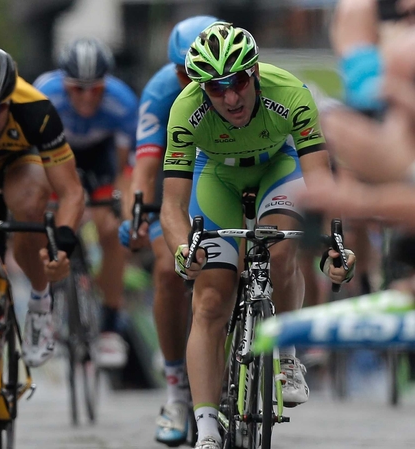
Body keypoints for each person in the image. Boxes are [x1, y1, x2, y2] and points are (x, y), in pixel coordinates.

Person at [160, 22, 357, 449]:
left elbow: (321, 182)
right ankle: (208, 429)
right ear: (201, 89)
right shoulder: (184, 109)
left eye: (239, 82)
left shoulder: (290, 94)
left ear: (256, 74)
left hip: (277, 169)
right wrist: (182, 250)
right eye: (215, 89)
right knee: (211, 297)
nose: (230, 97)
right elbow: (172, 205)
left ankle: (285, 356)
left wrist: (331, 247)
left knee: (283, 251)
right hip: (216, 178)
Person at [0, 38, 85, 449]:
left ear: (11, 99)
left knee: (28, 205)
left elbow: (71, 191)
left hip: (18, 164)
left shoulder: (35, 107)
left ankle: (40, 302)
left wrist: (62, 247)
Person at [117, 15, 218, 446]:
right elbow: (143, 169)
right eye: (180, 71)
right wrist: (135, 215)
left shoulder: (229, 84)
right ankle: (177, 389)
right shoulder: (161, 92)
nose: (186, 79)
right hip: (177, 187)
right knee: (166, 269)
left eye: (193, 72)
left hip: (224, 179)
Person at [33, 37, 137, 369]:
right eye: (78, 89)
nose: (88, 97)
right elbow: (33, 162)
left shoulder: (122, 101)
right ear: (65, 84)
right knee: (44, 223)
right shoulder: (43, 94)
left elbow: (123, 169)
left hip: (101, 158)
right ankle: (45, 308)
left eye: (96, 89)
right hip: (54, 156)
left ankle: (109, 325)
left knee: (111, 230)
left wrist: (115, 207)